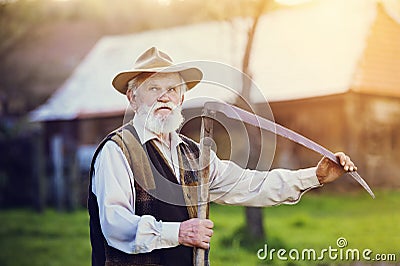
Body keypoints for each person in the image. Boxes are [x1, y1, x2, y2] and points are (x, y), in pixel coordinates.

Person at [88, 47, 358, 266]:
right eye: (153, 89)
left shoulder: (194, 154)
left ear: (182, 99)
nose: (164, 97)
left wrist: (315, 176)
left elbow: (251, 185)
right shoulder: (117, 150)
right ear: (133, 99)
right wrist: (178, 233)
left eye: (172, 89)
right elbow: (115, 224)